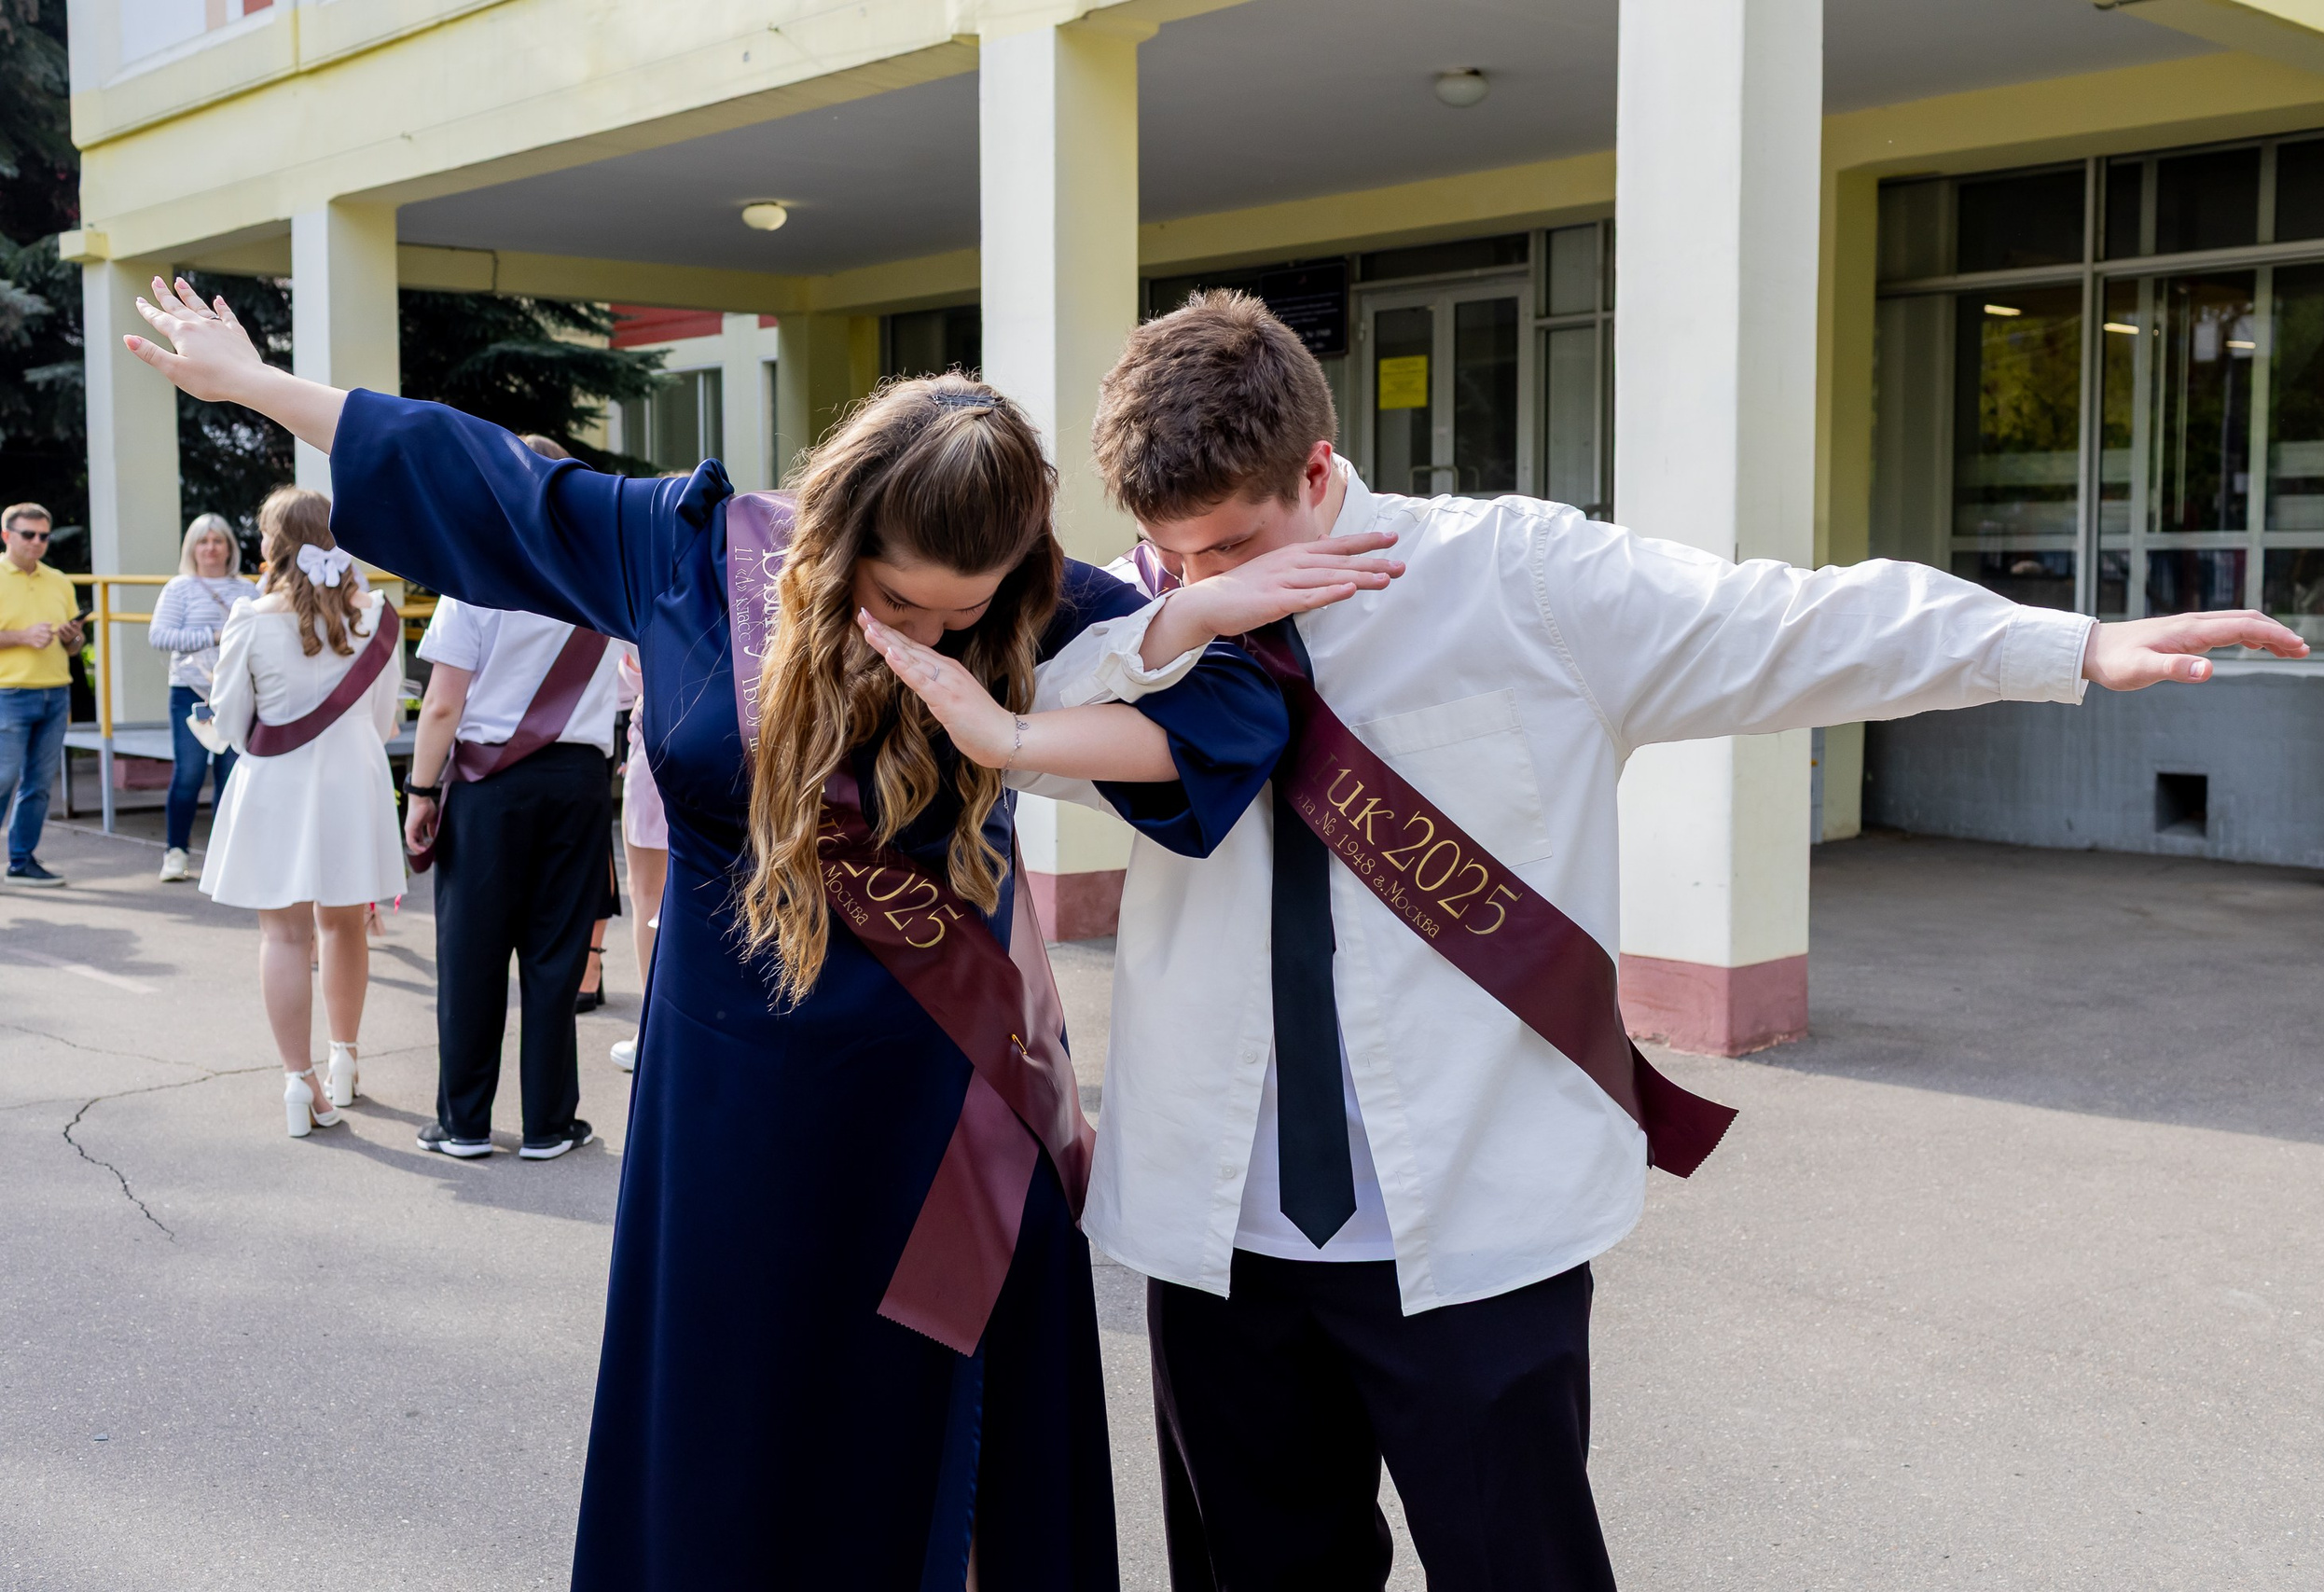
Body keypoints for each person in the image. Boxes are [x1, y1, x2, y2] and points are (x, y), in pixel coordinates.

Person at [1008, 291, 2312, 1592]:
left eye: (1231, 545)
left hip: (1472, 1215)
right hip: (1218, 1225)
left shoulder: (1514, 578)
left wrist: (2072, 642)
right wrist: (1168, 623)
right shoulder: (1134, 627)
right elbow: (1017, 743)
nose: (1201, 578)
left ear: (1316, 467)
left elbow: (1790, 622)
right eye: (1165, 554)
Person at [120, 273, 1388, 1588]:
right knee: (735, 1447)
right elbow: (487, 478)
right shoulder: (690, 550)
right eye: (898, 603)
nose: (932, 634)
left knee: (941, 1450)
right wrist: (256, 384)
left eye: (965, 614)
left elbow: (1234, 721)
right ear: (834, 540)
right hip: (728, 1102)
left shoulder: (1035, 595)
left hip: (943, 1098)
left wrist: (1152, 631)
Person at [401, 460, 628, 1162]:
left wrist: (421, 791)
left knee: (472, 951)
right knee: (557, 954)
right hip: (578, 781)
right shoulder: (602, 580)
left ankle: (463, 1122)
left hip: (488, 783)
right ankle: (549, 1124)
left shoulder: (478, 575)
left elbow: (441, 703)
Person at [199, 486, 408, 1137]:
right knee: (345, 926)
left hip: (277, 785)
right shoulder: (379, 614)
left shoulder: (250, 616)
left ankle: (300, 1080)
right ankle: (343, 1058)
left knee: (283, 935)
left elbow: (231, 722)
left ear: (275, 544)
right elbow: (384, 720)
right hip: (353, 781)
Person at [148, 511, 257, 882]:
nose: (211, 548)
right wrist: (215, 635)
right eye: (203, 541)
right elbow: (160, 636)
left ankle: (224, 854)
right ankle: (175, 852)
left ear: (230, 547)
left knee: (230, 775)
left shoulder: (247, 589)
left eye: (218, 540)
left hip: (235, 693)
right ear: (191, 548)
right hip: (190, 693)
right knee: (189, 773)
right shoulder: (179, 588)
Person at [0, 502, 84, 887]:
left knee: (38, 784)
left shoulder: (59, 580)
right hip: (9, 693)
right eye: (28, 534)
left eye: (44, 536)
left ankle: (21, 861)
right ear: (6, 536)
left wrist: (73, 638)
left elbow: (72, 647)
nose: (37, 542)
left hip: (55, 692)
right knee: (3, 779)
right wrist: (20, 636)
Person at [608, 646, 667, 1072]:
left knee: (647, 894)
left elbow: (622, 681)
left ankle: (654, 1028)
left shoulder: (656, 587)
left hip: (660, 740)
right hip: (743, 742)